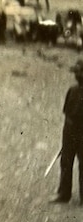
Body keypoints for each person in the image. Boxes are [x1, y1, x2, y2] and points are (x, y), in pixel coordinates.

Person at [53, 59, 83, 203]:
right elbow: (67, 113)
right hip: (70, 132)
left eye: (80, 72)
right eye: (76, 72)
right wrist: (66, 137)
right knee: (66, 162)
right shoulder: (72, 90)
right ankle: (64, 194)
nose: (77, 75)